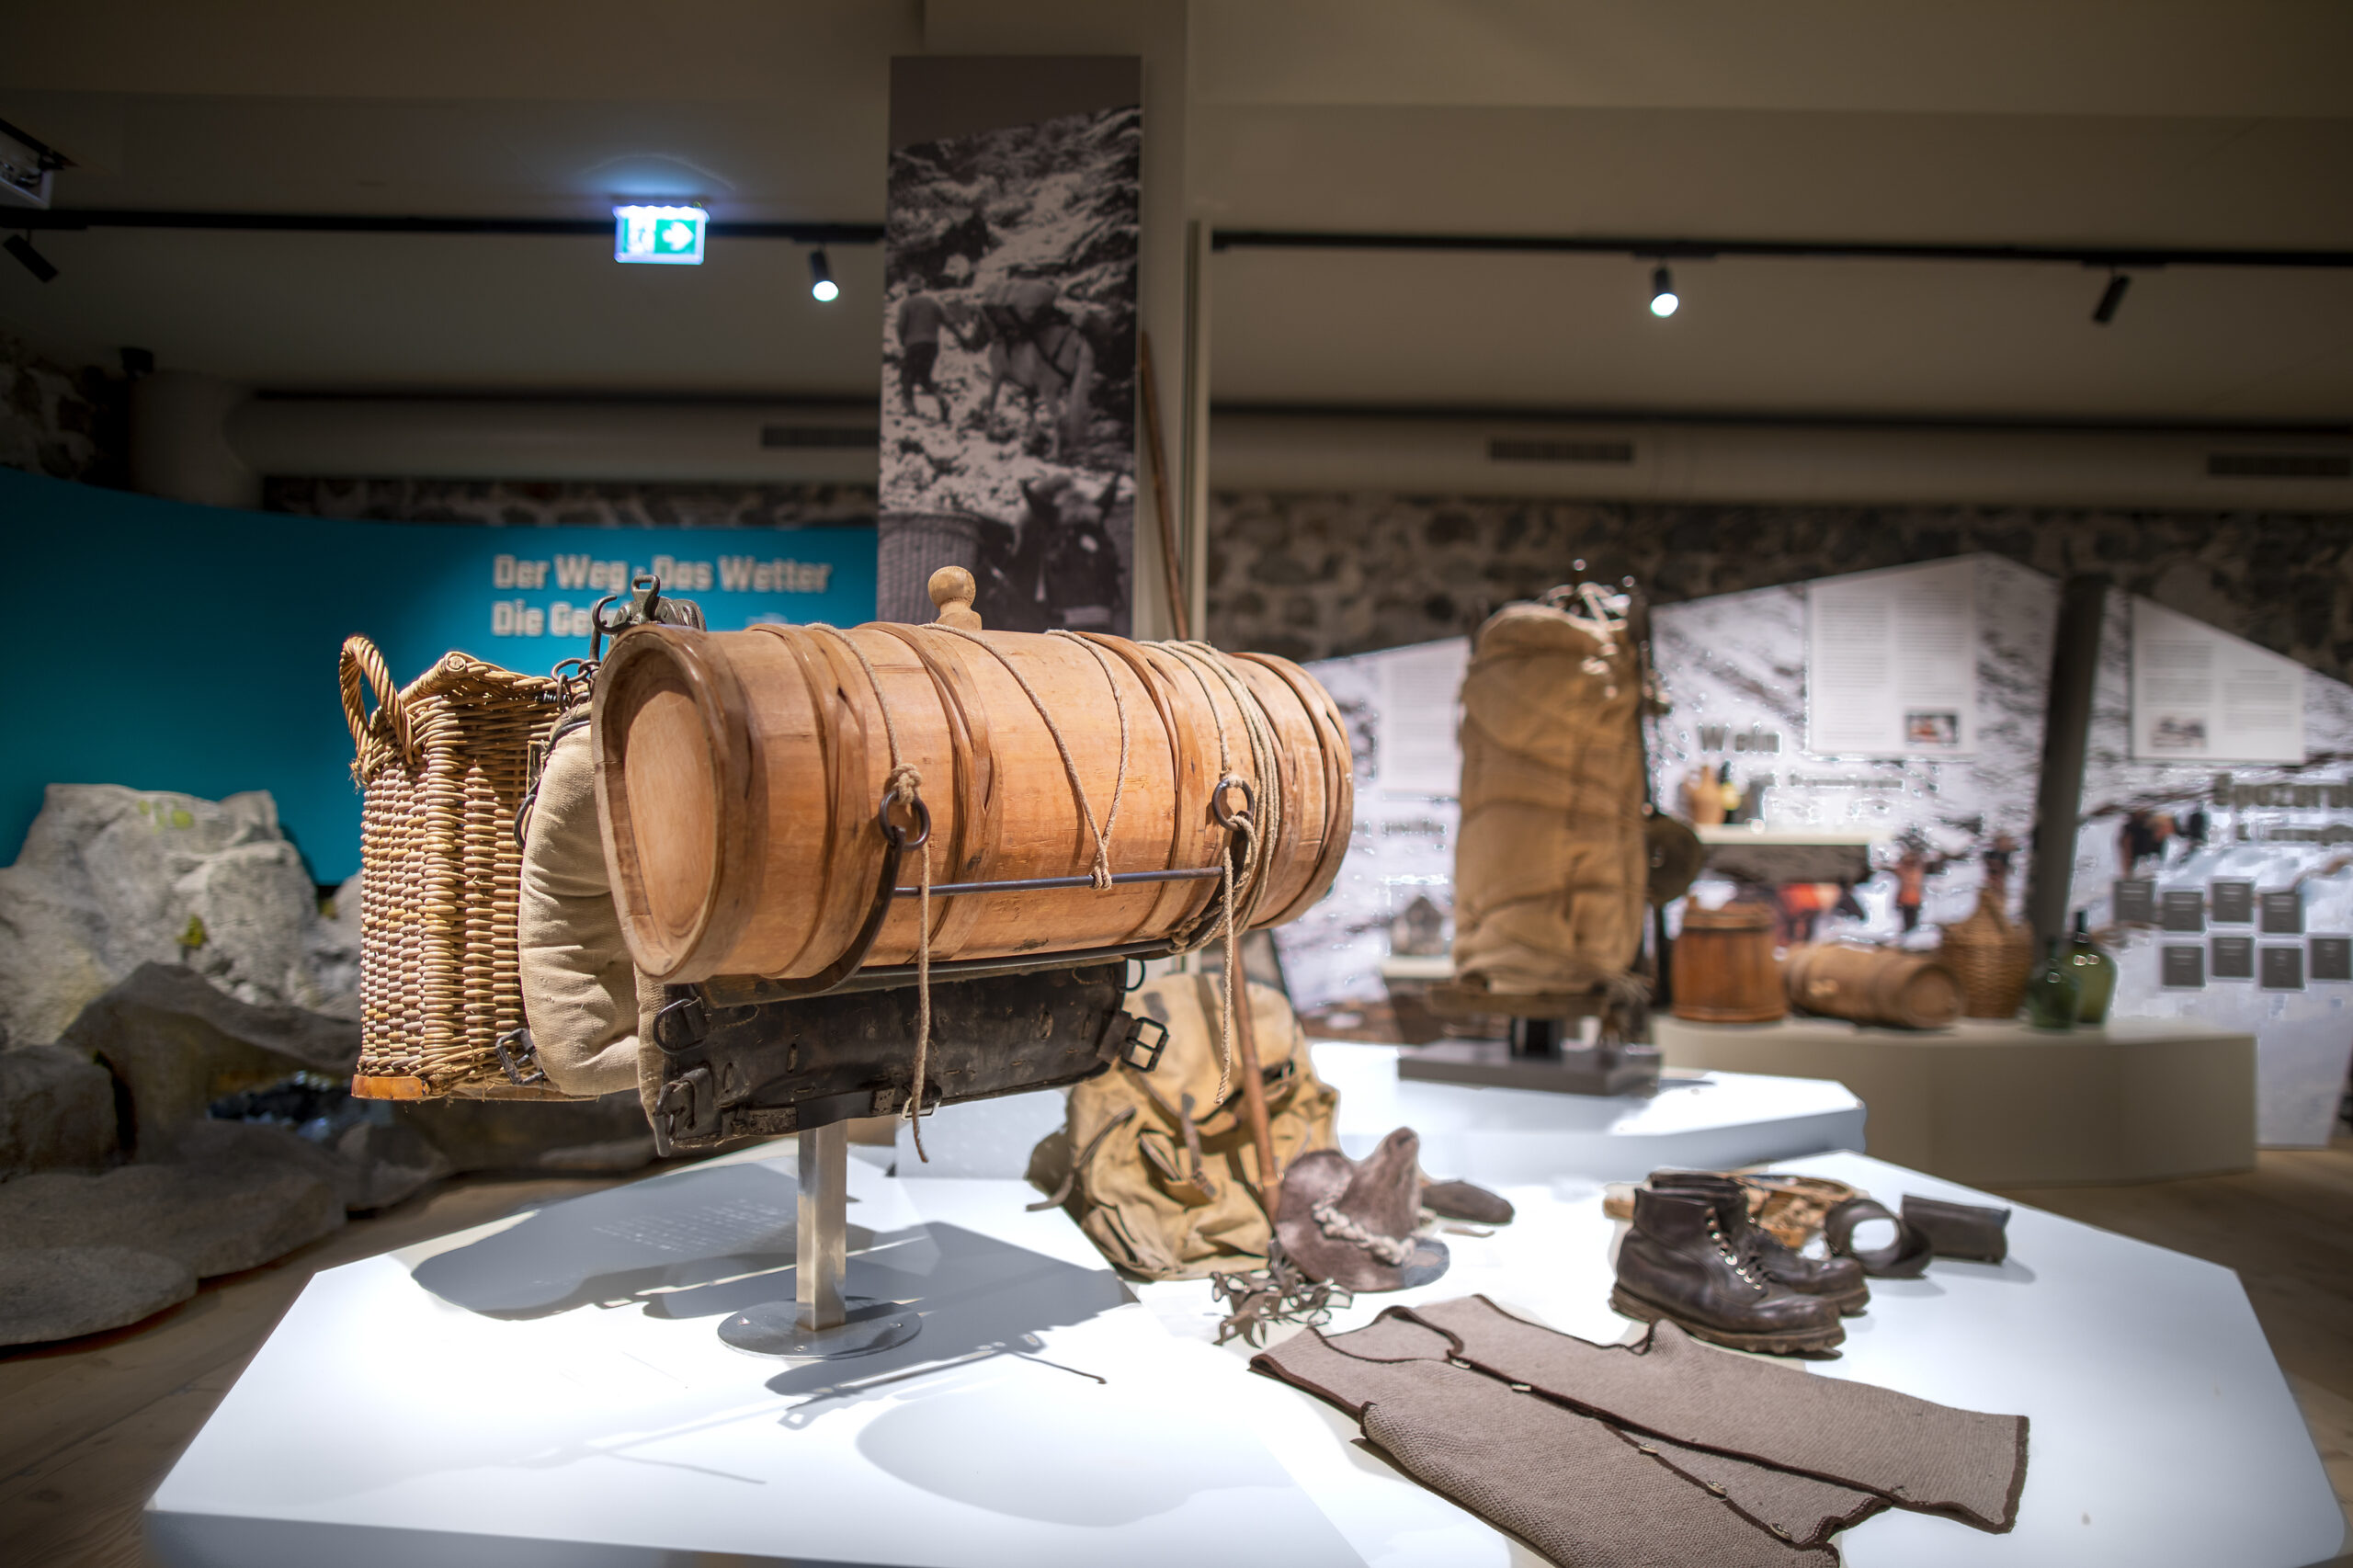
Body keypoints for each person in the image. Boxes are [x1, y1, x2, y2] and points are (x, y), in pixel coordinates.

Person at [894, 256, 979, 423]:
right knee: (924, 377)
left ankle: (911, 411)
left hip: (913, 346)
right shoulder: (933, 303)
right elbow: (949, 322)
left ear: (909, 290)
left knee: (906, 376)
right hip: (932, 346)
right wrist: (963, 339)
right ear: (922, 287)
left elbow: (900, 326)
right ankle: (941, 399)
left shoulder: (906, 304)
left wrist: (903, 342)